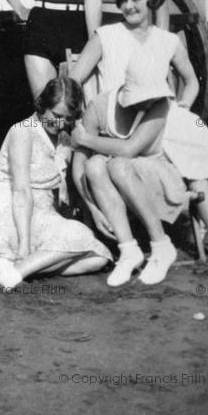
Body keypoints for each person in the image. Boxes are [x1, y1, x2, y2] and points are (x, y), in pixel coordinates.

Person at [71, 0, 208, 275]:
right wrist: (85, 112)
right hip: (117, 116)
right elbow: (73, 79)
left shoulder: (168, 40)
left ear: (151, 1)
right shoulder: (106, 35)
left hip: (159, 116)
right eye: (123, 0)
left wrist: (183, 105)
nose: (128, 6)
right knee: (188, 163)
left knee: (201, 151)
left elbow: (191, 82)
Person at [0, 77, 112, 290]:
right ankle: (15, 272)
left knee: (99, 257)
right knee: (80, 235)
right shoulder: (23, 131)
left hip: (42, 214)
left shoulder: (63, 135)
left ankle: (9, 270)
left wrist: (93, 209)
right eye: (55, 116)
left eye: (67, 118)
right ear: (42, 106)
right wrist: (25, 243)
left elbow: (75, 176)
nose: (60, 123)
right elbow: (21, 191)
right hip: (11, 214)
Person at [71, 59, 189, 287]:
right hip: (118, 184)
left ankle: (161, 244)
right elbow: (79, 163)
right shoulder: (99, 107)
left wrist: (85, 138)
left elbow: (129, 149)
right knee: (94, 164)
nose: (149, 101)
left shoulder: (159, 105)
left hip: (158, 176)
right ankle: (128, 250)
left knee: (117, 164)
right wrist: (93, 208)